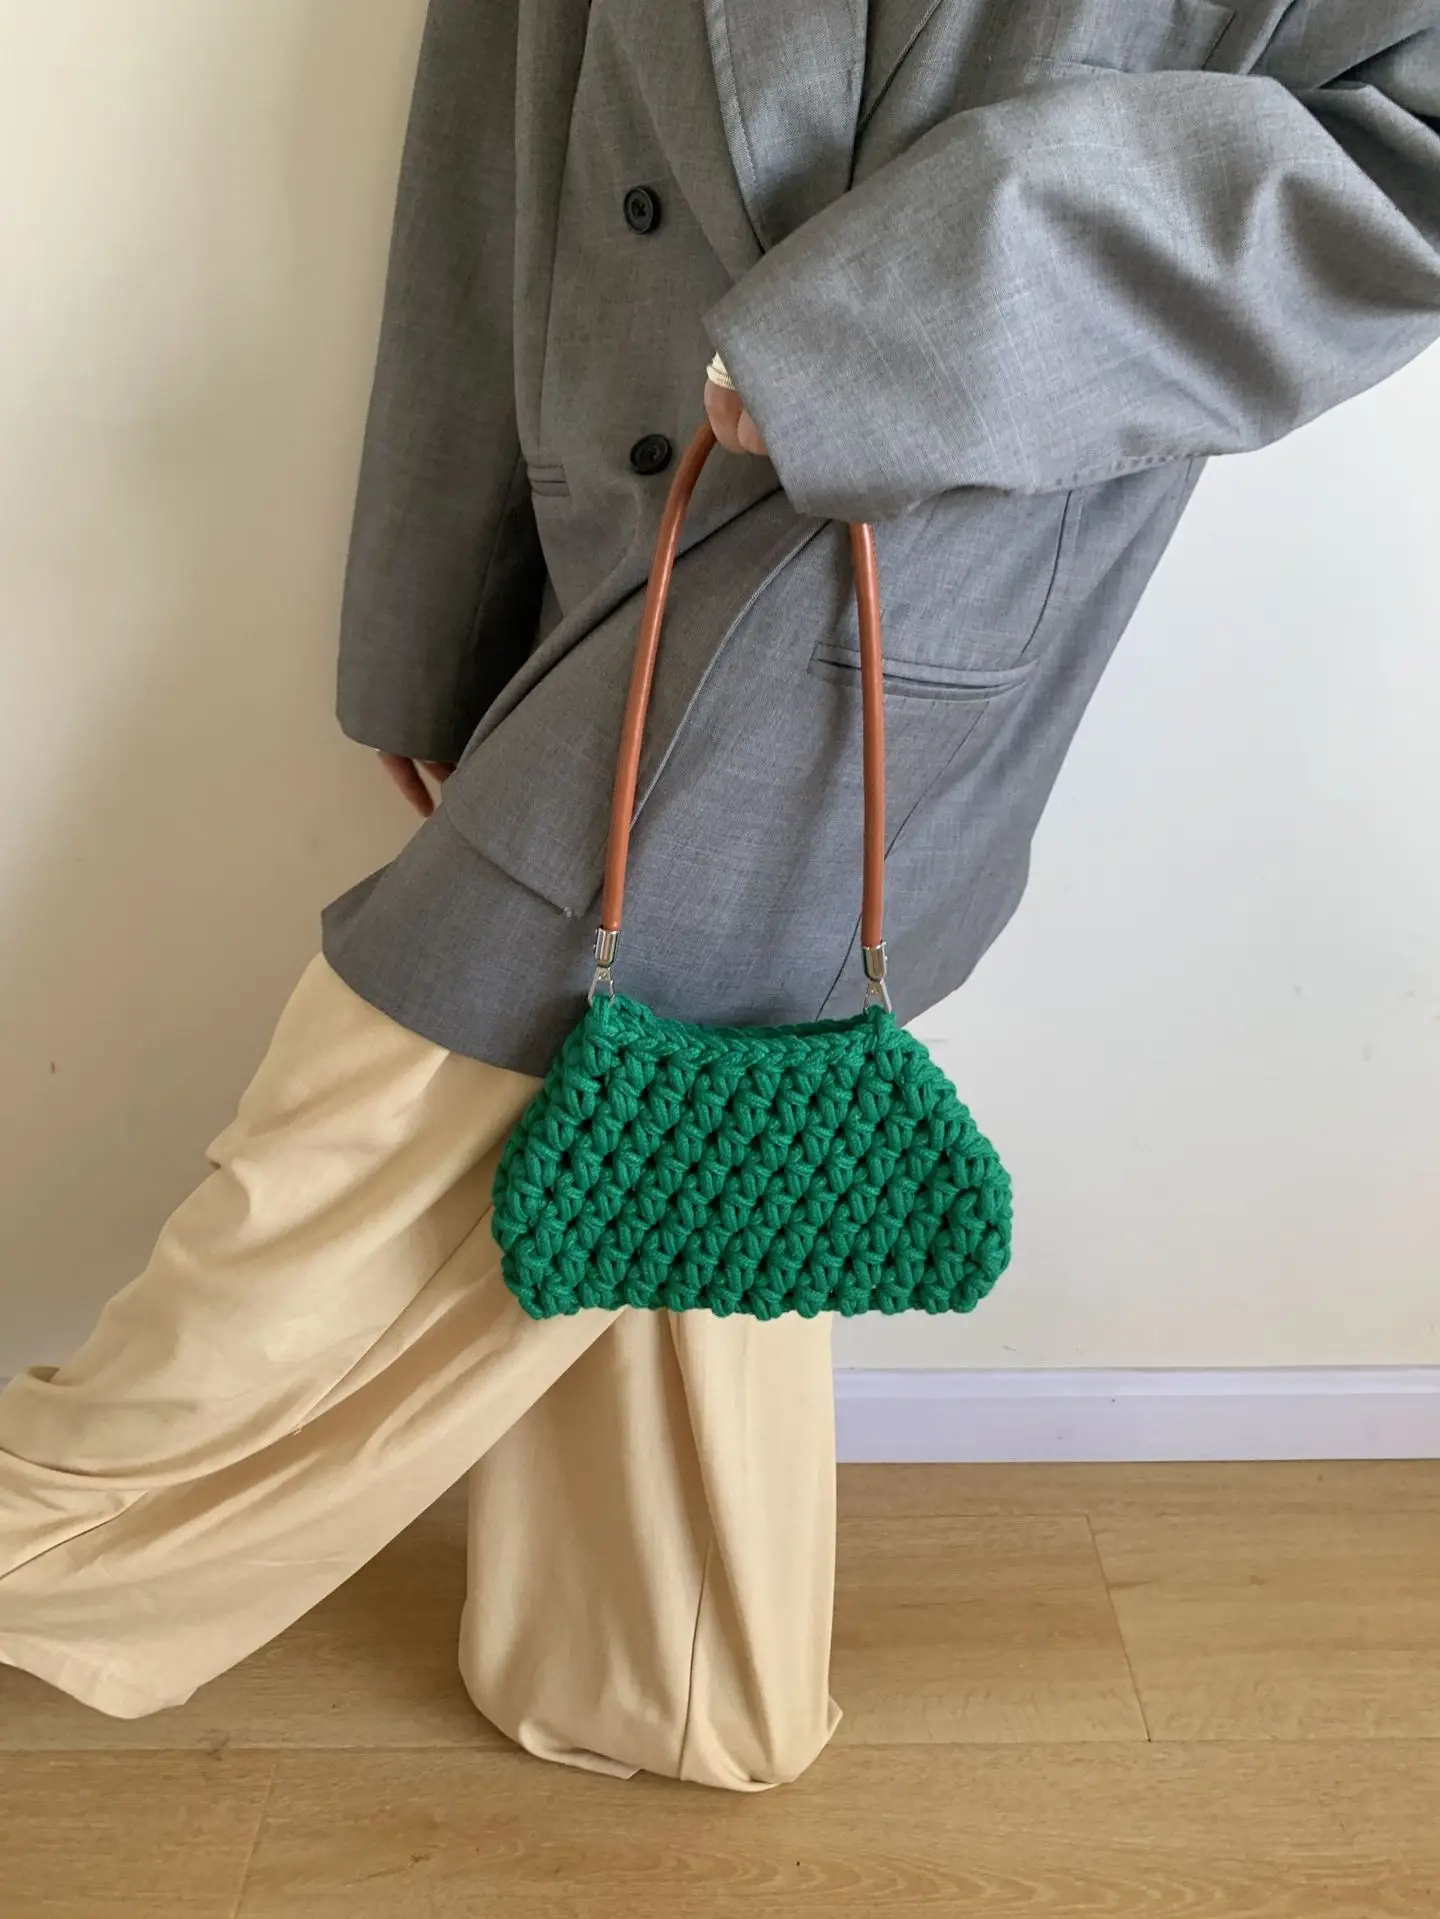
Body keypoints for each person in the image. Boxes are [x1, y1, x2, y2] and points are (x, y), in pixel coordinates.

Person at [2, 0, 1437, 1791]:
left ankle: (44, 1542)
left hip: (924, 542)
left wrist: (918, 305)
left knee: (364, 1132)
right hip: (614, 523)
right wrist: (437, 619)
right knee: (678, 1127)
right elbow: (482, 158)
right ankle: (655, 1669)